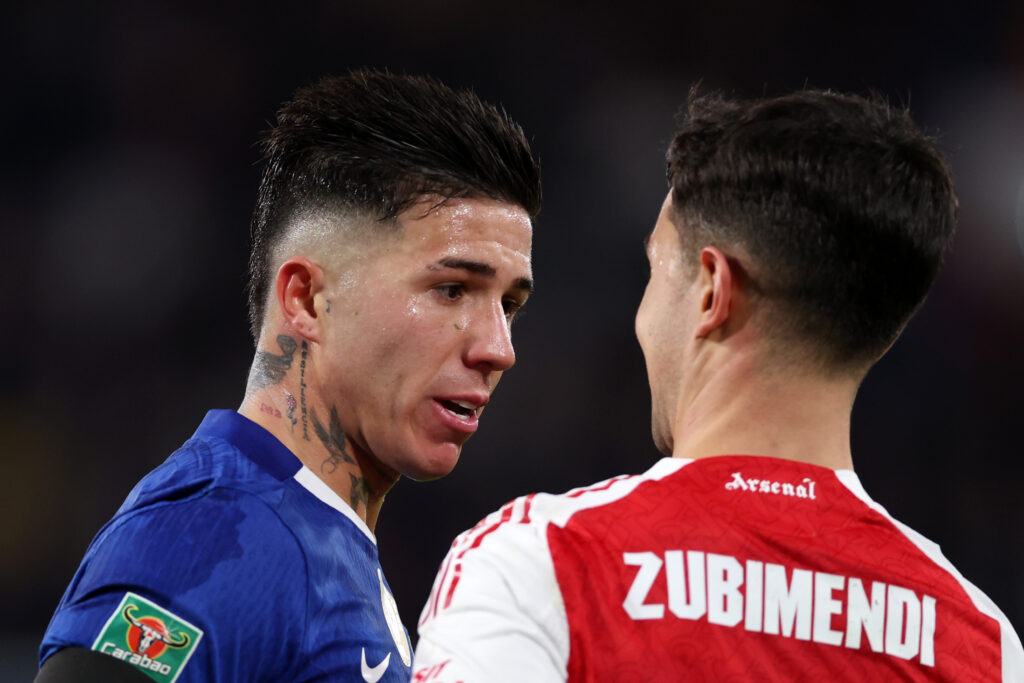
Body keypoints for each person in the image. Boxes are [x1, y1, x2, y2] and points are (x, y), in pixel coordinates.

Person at [413, 89, 1024, 681]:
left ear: (712, 289)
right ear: (880, 336)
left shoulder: (544, 565)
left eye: (654, 268)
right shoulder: (981, 643)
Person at [36, 69, 541, 682]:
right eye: (451, 289)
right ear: (305, 299)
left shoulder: (313, 535)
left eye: (508, 305)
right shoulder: (214, 536)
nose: (498, 348)